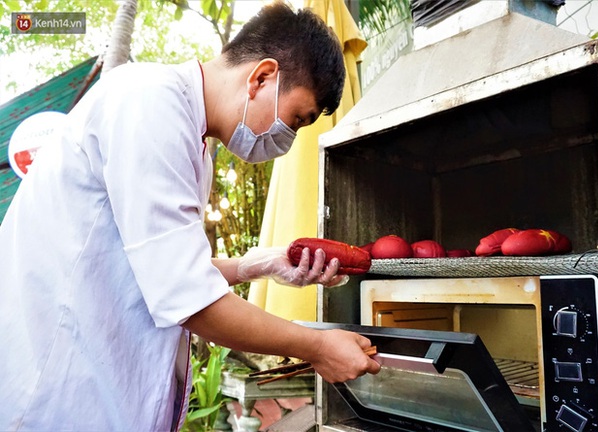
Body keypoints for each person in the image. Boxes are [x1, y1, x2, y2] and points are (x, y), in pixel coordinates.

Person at [0, 2, 380, 430]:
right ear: (262, 77)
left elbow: (150, 267)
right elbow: (188, 298)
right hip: (56, 396)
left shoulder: (190, 138)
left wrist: (255, 266)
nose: (286, 139)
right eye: (295, 119)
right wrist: (318, 347)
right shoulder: (150, 105)